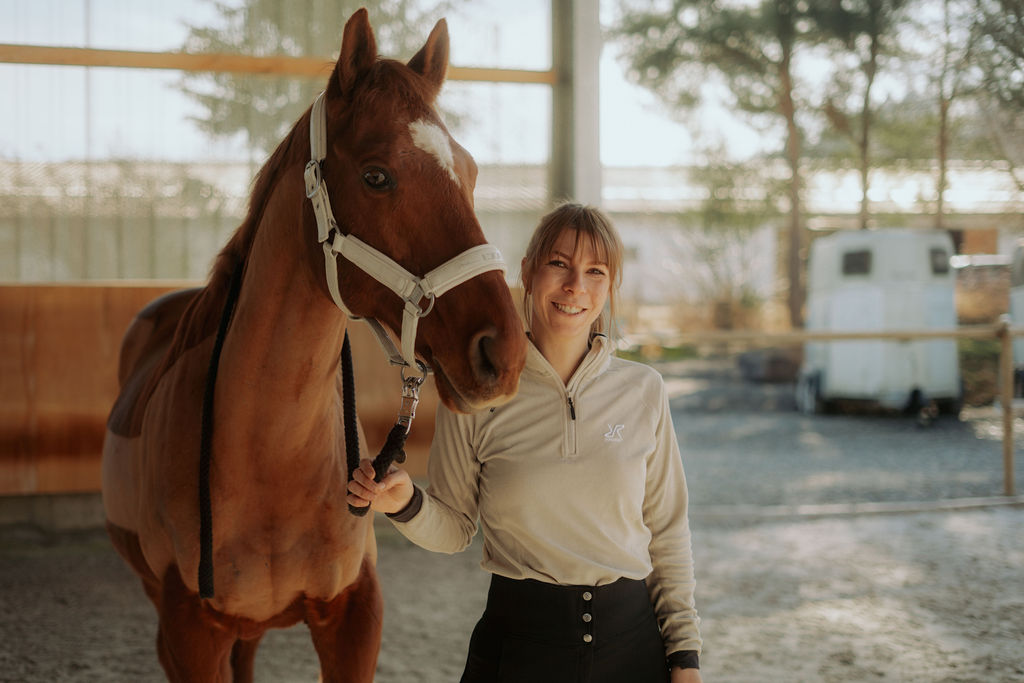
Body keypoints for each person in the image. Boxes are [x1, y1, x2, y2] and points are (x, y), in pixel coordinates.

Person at [348, 202, 703, 682]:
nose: (576, 285)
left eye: (595, 271)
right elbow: (454, 527)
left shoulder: (644, 391)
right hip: (517, 651)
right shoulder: (480, 389)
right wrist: (405, 502)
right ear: (528, 274)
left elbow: (668, 533)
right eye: (559, 264)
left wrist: (684, 658)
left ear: (609, 288)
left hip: (633, 649)